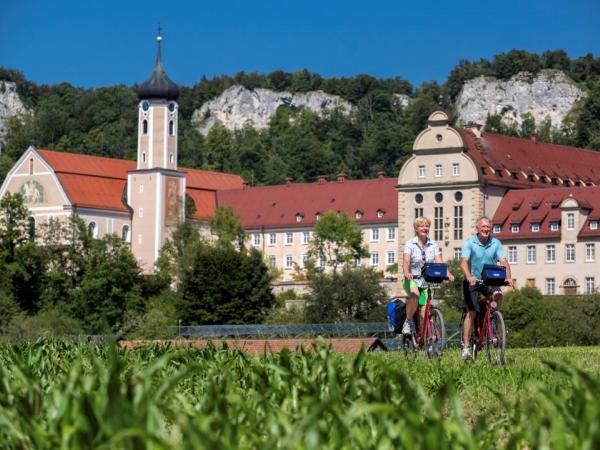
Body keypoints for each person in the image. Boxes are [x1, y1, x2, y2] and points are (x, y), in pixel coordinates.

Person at [460, 216, 513, 360]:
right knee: (472, 312)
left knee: (498, 294)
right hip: (472, 281)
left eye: (488, 227)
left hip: (489, 279)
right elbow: (464, 262)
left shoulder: (495, 243)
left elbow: (503, 261)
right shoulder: (470, 242)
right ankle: (466, 346)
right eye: (483, 227)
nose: (486, 229)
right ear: (477, 228)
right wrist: (469, 276)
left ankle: (494, 317)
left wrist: (508, 277)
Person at [402, 216, 454, 336]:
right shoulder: (410, 244)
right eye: (421, 226)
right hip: (412, 278)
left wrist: (448, 274)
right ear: (416, 228)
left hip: (427, 279)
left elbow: (439, 261)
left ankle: (429, 339)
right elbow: (406, 261)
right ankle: (408, 321)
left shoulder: (433, 244)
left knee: (426, 310)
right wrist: (406, 272)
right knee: (415, 295)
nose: (425, 228)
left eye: (427, 226)